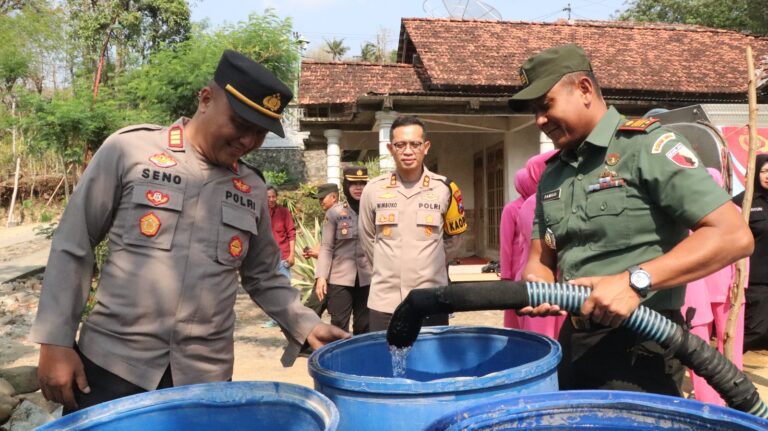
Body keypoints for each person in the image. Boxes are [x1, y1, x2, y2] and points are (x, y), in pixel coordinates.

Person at [29, 50, 349, 413]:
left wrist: (306, 323)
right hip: (112, 367)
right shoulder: (130, 150)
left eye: (260, 132)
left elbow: (263, 275)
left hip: (205, 377)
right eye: (241, 123)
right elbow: (75, 242)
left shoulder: (252, 188)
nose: (248, 141)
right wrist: (55, 342)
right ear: (205, 99)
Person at [513, 44, 753, 395]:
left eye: (545, 105)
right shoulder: (553, 173)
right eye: (534, 111)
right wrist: (539, 282)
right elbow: (541, 257)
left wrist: (634, 281)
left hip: (643, 342)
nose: (539, 121)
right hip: (575, 338)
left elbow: (733, 236)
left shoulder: (647, 147)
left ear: (583, 89)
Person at [359, 115, 468, 332]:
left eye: (415, 144)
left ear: (425, 147)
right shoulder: (373, 189)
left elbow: (455, 239)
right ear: (391, 148)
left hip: (432, 297)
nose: (408, 151)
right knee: (383, 363)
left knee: (431, 363)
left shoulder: (445, 188)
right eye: (400, 145)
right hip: (384, 300)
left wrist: (430, 265)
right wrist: (389, 267)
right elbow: (367, 238)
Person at [683, 168, 745, 405]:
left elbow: (742, 256)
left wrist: (741, 285)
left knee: (730, 340)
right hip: (696, 290)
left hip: (729, 287)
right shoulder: (685, 215)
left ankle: (734, 390)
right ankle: (708, 398)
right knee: (698, 346)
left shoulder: (734, 213)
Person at [501, 150, 566, 340]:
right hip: (540, 272)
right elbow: (511, 244)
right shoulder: (533, 204)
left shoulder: (544, 200)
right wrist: (506, 274)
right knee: (542, 332)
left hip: (544, 272)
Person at [315, 168, 373, 334]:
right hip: (340, 279)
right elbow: (326, 247)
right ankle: (339, 359)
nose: (358, 187)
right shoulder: (334, 213)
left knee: (365, 325)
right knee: (339, 324)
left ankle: (361, 360)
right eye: (353, 183)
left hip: (367, 277)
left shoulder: (373, 211)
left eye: (362, 183)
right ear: (346, 186)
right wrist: (321, 277)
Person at [734, 153, 768, 352]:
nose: (767, 175)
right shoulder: (743, 202)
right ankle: (720, 364)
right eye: (764, 171)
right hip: (757, 282)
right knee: (757, 330)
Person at [267, 185, 296, 279]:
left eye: (273, 196)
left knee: (285, 290)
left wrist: (292, 255)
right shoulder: (259, 213)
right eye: (268, 197)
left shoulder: (284, 212)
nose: (271, 199)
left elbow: (291, 234)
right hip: (265, 260)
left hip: (283, 259)